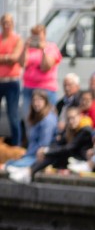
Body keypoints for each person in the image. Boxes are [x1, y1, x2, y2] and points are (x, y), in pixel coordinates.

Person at [19, 24, 62, 119]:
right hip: (29, 88)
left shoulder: (51, 47)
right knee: (28, 119)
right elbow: (22, 64)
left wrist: (43, 49)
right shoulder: (30, 48)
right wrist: (25, 48)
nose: (36, 37)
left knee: (47, 118)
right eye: (34, 34)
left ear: (44, 35)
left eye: (38, 34)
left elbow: (45, 67)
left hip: (46, 89)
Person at [0, 14, 24, 148]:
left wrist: (7, 58)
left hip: (11, 82)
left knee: (12, 115)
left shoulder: (17, 39)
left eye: (9, 22)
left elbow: (15, 57)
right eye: (4, 22)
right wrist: (7, 58)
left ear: (13, 24)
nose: (6, 25)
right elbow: (10, 58)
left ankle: (17, 145)